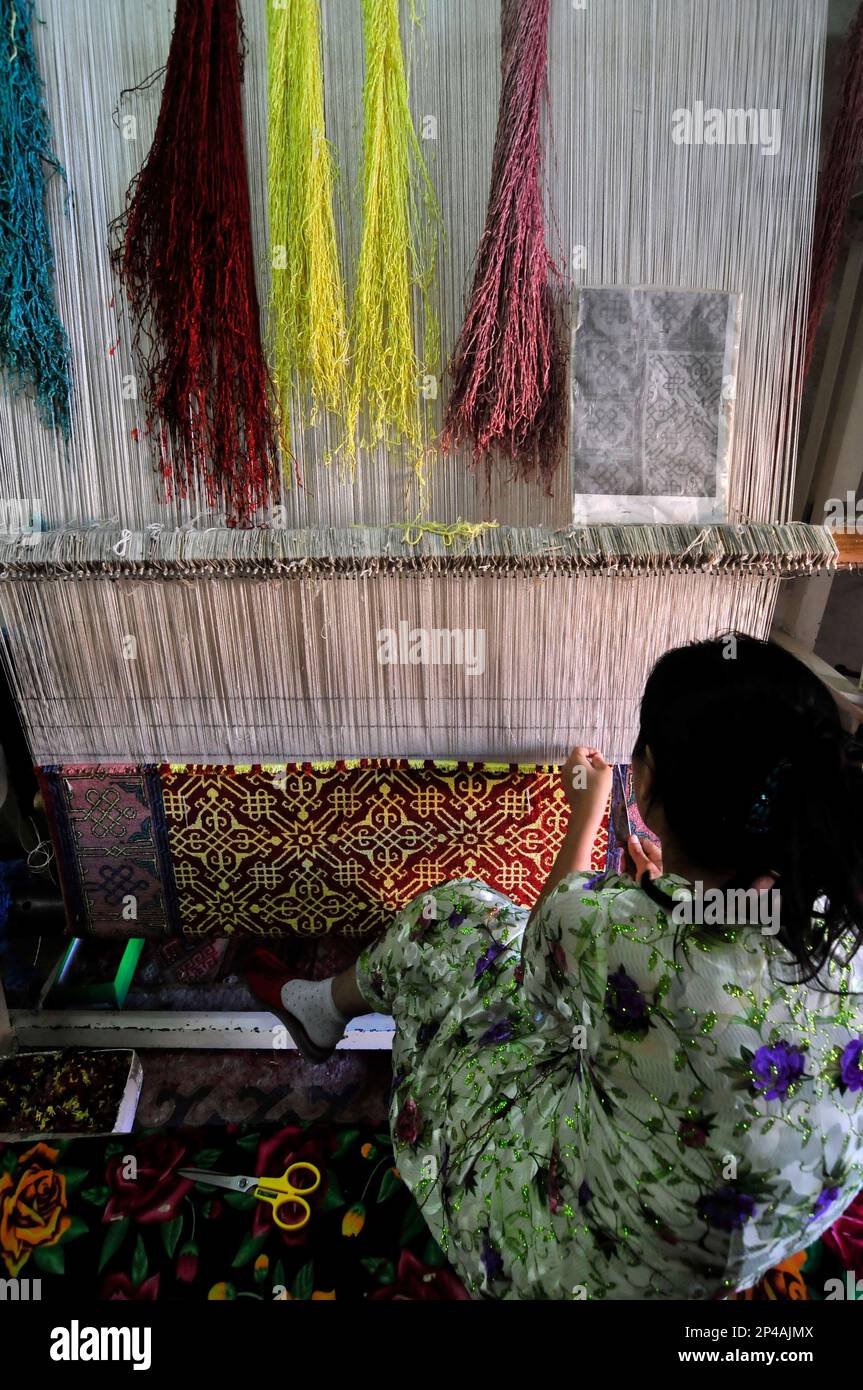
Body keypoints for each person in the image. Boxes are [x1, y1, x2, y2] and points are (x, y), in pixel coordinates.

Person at [247, 635, 863, 1299]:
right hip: (727, 1258)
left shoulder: (620, 928)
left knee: (455, 919)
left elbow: (533, 969)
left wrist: (587, 812)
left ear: (645, 778)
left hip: (558, 1267)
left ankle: (321, 1012)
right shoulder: (844, 923)